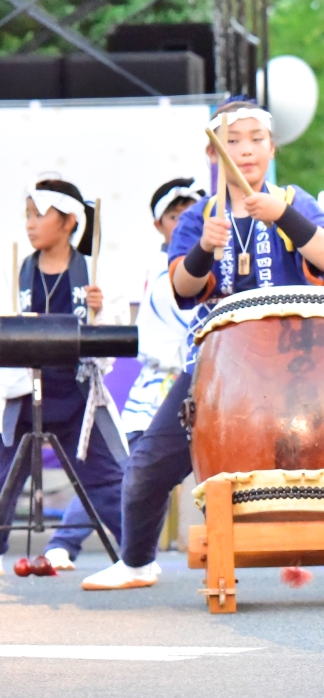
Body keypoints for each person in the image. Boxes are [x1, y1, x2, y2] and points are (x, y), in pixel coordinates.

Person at [80, 101, 324, 591]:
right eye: (233, 140)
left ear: (271, 147)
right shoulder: (202, 216)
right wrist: (203, 249)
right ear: (214, 153)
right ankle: (136, 562)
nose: (246, 149)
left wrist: (284, 216)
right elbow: (182, 288)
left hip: (305, 360)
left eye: (256, 138)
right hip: (222, 369)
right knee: (149, 465)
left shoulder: (293, 199)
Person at [44, 177, 202, 571]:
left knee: (141, 475)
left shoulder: (221, 260)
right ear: (158, 225)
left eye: (191, 212)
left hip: (212, 381)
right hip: (162, 388)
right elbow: (119, 317)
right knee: (129, 475)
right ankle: (117, 552)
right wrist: (98, 303)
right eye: (174, 214)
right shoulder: (155, 267)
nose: (183, 219)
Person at [0, 181, 127, 575]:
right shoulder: (14, 269)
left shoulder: (93, 272)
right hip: (24, 395)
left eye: (39, 215)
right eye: (27, 216)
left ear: (70, 220)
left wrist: (100, 311)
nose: (31, 225)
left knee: (107, 480)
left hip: (76, 395)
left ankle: (138, 557)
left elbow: (113, 339)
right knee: (2, 479)